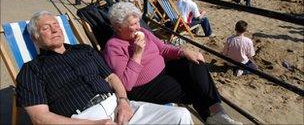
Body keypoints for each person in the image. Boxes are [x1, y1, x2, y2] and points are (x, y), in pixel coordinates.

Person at [16, 11, 194, 124]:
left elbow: (111, 77)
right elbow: (40, 117)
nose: (55, 30)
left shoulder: (84, 50)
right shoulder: (31, 70)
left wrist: (123, 102)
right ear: (36, 37)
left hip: (118, 106)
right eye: (47, 28)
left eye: (56, 25)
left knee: (181, 115)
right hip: (82, 118)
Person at [103, 2, 243, 125]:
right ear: (118, 26)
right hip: (146, 86)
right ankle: (210, 117)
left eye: (138, 22)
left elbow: (163, 49)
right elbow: (126, 84)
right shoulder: (113, 46)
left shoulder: (143, 31)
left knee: (195, 63)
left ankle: (218, 113)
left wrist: (183, 52)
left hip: (165, 68)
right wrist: (137, 53)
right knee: (191, 87)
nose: (139, 27)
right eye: (133, 24)